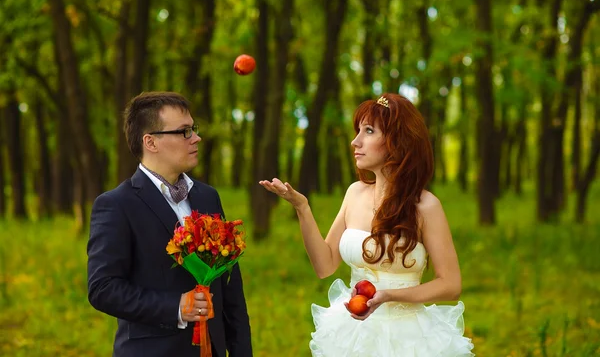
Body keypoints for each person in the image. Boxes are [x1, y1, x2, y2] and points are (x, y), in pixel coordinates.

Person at [260, 93, 474, 356]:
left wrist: (389, 295)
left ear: (396, 141)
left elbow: (450, 285)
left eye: (369, 131)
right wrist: (302, 208)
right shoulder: (354, 193)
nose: (355, 141)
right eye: (357, 130)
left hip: (408, 338)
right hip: (353, 335)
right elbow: (324, 265)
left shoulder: (426, 206)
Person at [87, 91, 252, 357]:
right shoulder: (117, 205)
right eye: (184, 131)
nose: (196, 138)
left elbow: (230, 290)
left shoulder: (208, 197)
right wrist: (176, 306)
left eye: (194, 129)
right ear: (151, 142)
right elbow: (103, 289)